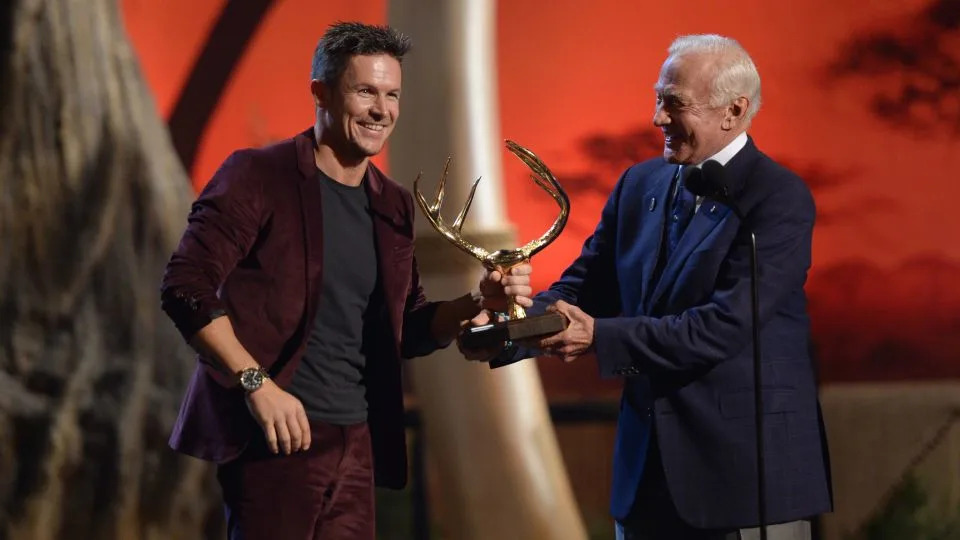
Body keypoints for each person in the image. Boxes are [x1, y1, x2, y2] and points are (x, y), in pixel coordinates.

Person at [160, 22, 531, 540]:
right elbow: (185, 286)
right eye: (365, 92)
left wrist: (475, 302)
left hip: (357, 447)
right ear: (321, 93)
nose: (382, 110)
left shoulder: (394, 203)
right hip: (276, 443)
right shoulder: (257, 175)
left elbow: (409, 327)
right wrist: (255, 383)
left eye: (392, 94)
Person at [469, 34, 832, 539]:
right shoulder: (639, 185)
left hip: (746, 484)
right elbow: (584, 287)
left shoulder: (778, 199)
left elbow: (721, 328)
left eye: (673, 103)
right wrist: (507, 326)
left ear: (733, 111)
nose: (657, 118)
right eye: (658, 99)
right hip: (646, 486)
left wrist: (598, 336)